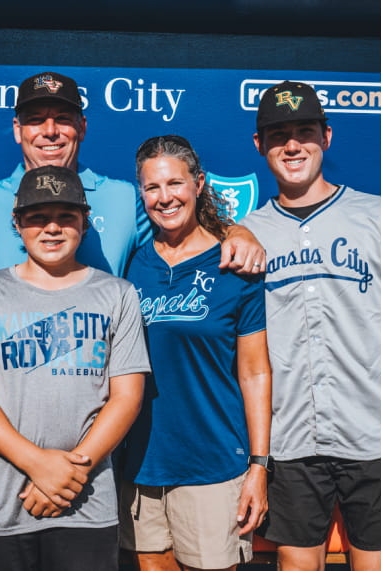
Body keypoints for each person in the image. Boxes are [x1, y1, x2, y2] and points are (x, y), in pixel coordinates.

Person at [0, 71, 266, 290]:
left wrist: (238, 231)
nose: (50, 131)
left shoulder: (119, 197)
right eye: (36, 120)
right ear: (18, 130)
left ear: (83, 127)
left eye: (64, 119)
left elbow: (185, 227)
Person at [0, 165, 151, 571]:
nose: (52, 229)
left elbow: (127, 396)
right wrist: (38, 464)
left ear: (85, 223)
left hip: (87, 502)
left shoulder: (117, 294)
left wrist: (73, 471)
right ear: (17, 223)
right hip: (2, 504)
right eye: (38, 217)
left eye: (65, 217)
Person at [242, 80, 381, 571]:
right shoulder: (247, 233)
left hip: (374, 433)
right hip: (292, 438)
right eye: (278, 134)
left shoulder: (375, 215)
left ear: (327, 135)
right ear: (259, 145)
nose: (293, 144)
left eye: (304, 130)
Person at [120, 135, 272, 571]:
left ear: (199, 184)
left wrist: (258, 467)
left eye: (175, 183)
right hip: (139, 466)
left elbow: (255, 372)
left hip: (212, 465)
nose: (164, 197)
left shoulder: (235, 264)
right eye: (152, 187)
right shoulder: (132, 263)